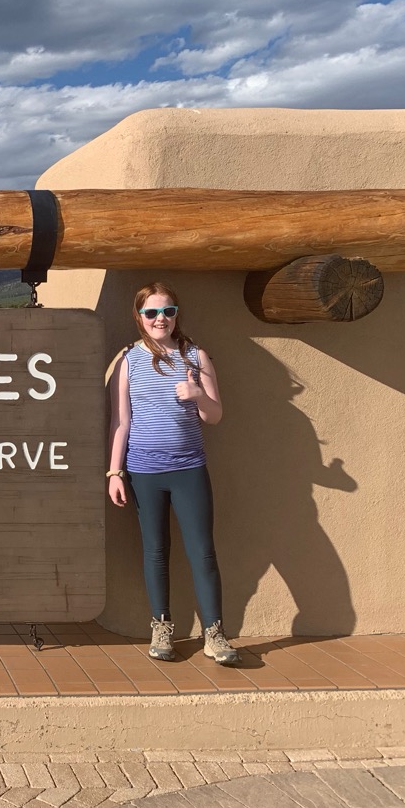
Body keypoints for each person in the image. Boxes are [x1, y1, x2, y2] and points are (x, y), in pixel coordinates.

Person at [106, 282, 241, 666]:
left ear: (177, 314)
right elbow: (120, 421)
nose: (159, 319)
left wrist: (198, 394)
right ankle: (161, 627)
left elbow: (214, 416)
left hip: (188, 469)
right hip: (144, 472)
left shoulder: (195, 357)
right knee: (155, 551)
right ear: (139, 318)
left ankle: (214, 633)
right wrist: (115, 472)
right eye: (151, 313)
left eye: (167, 311)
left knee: (202, 551)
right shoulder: (129, 361)